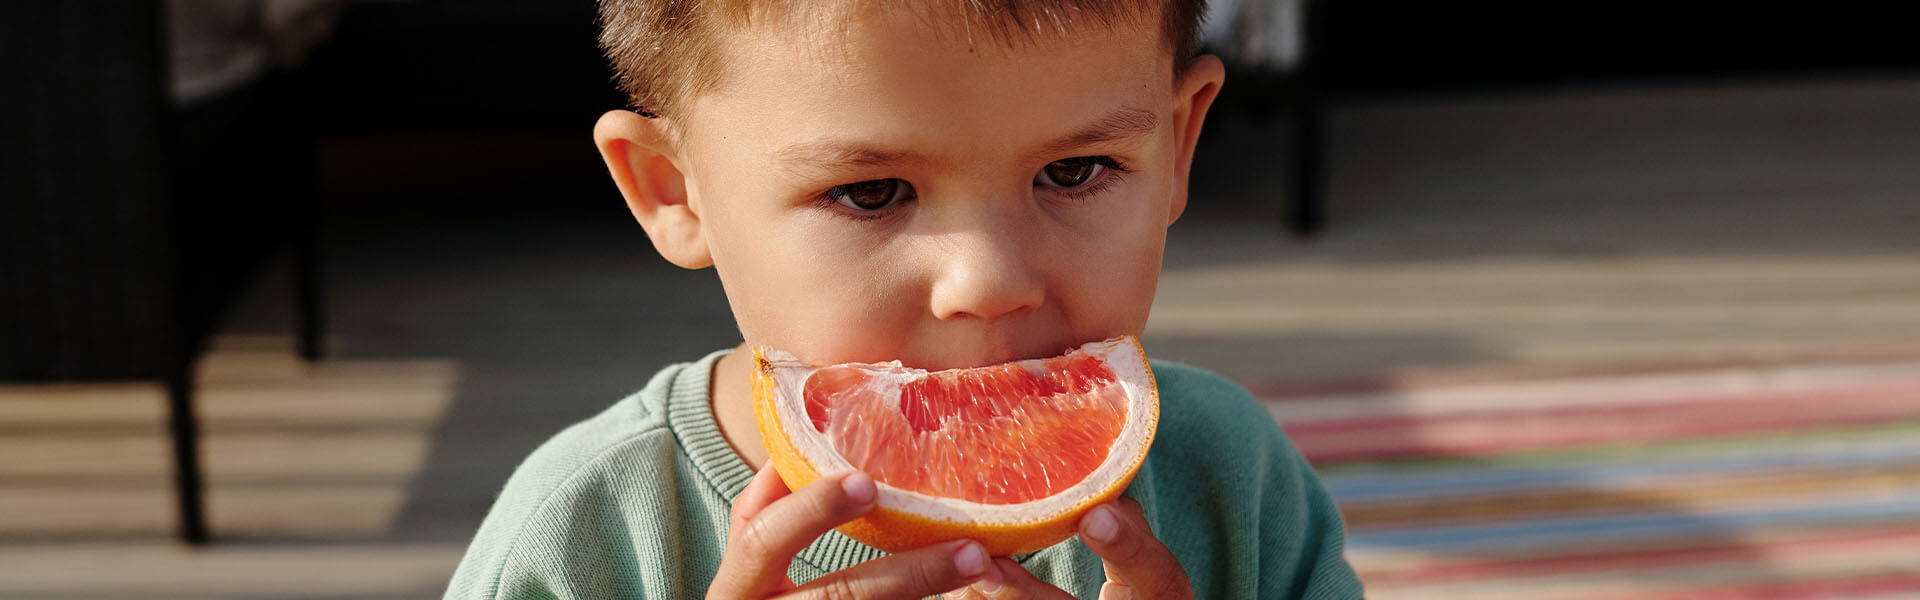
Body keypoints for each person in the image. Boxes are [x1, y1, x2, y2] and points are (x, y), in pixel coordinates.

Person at [445, 0, 1363, 597]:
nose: (989, 279)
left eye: (1074, 171)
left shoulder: (1234, 480)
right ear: (674, 191)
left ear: (1178, 144)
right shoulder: (582, 533)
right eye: (871, 192)